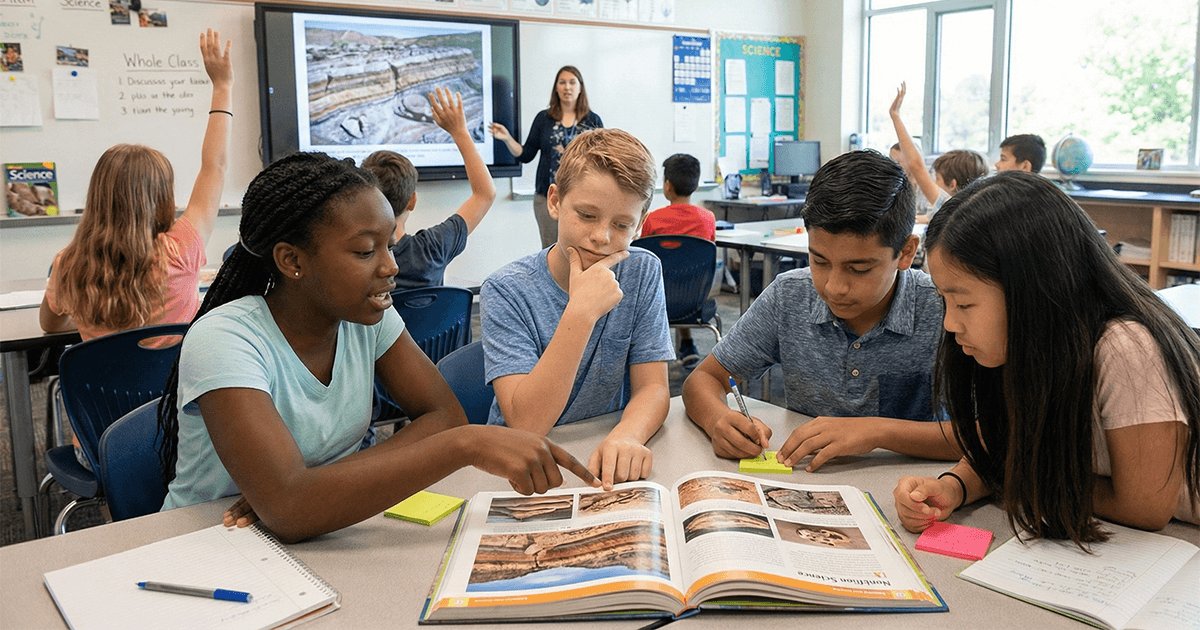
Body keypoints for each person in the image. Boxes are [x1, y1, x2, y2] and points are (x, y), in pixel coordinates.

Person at [156, 152, 598, 543]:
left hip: (328, 530)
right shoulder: (226, 339)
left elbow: (443, 416)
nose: (391, 265)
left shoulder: (366, 316)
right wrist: (464, 446)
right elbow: (291, 511)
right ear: (292, 261)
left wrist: (310, 488)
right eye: (366, 251)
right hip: (208, 541)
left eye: (390, 243)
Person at [893, 172, 1200, 545]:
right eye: (945, 300)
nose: (950, 323)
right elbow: (1007, 440)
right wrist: (954, 487)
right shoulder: (1030, 344)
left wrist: (1019, 478)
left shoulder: (1126, 346)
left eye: (964, 303)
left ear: (1033, 290)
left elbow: (1144, 508)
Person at [681, 150, 957, 471]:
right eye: (819, 261)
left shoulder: (944, 309)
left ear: (906, 252)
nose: (833, 287)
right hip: (808, 482)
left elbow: (992, 436)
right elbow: (704, 379)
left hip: (913, 492)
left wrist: (879, 431)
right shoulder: (790, 295)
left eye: (859, 268)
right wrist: (719, 419)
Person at [38, 29, 231, 470]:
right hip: (183, 442)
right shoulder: (181, 251)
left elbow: (50, 326)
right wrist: (222, 85)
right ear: (162, 199)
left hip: (100, 450)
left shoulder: (68, 264)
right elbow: (214, 167)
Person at [480, 128, 674, 491]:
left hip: (596, 451)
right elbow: (526, 423)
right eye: (586, 215)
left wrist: (628, 436)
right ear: (555, 201)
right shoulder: (506, 290)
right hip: (522, 466)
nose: (602, 237)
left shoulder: (642, 271)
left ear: (641, 222)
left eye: (621, 225)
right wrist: (580, 313)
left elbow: (653, 388)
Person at [362, 88, 496, 290]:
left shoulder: (354, 260)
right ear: (412, 201)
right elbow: (485, 193)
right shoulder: (433, 248)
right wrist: (459, 131)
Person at [488, 65, 603, 249]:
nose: (567, 87)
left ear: (580, 87)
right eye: (562, 82)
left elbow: (600, 162)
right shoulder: (544, 118)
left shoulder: (593, 121)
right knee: (551, 249)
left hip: (584, 197)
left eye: (572, 82)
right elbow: (525, 155)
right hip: (549, 197)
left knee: (581, 249)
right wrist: (507, 138)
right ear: (556, 87)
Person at [640, 152, 717, 367]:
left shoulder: (652, 219)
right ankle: (687, 344)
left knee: (668, 280)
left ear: (667, 186)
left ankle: (681, 347)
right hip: (695, 302)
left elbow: (643, 261)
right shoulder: (707, 218)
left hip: (657, 303)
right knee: (684, 280)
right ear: (696, 185)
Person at [889, 82, 987, 222]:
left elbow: (916, 165)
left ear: (952, 185)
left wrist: (895, 116)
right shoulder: (975, 209)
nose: (934, 183)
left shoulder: (950, 205)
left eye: (938, 179)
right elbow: (930, 218)